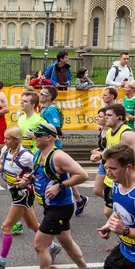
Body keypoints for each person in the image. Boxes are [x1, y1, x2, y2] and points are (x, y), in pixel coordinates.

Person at [32, 123, 99, 269]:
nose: (34, 137)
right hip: (50, 206)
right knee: (66, 242)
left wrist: (60, 186)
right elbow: (41, 175)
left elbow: (82, 175)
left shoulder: (58, 156)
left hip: (60, 208)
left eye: (38, 135)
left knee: (40, 245)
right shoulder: (38, 153)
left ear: (48, 137)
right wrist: (28, 180)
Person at [0, 126, 60, 269]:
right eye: (5, 138)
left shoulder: (26, 156)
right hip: (14, 192)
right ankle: (52, 246)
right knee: (33, 225)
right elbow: (3, 163)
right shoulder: (5, 150)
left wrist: (29, 178)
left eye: (8, 139)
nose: (4, 141)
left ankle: (1, 260)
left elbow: (39, 169)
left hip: (24, 194)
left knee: (7, 226)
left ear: (16, 140)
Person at [39, 85, 89, 214]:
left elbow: (54, 129)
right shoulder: (44, 108)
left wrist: (48, 143)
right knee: (62, 176)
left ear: (48, 97)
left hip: (52, 147)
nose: (39, 95)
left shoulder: (51, 110)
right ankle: (79, 199)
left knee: (60, 177)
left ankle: (71, 201)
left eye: (42, 93)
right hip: (45, 145)